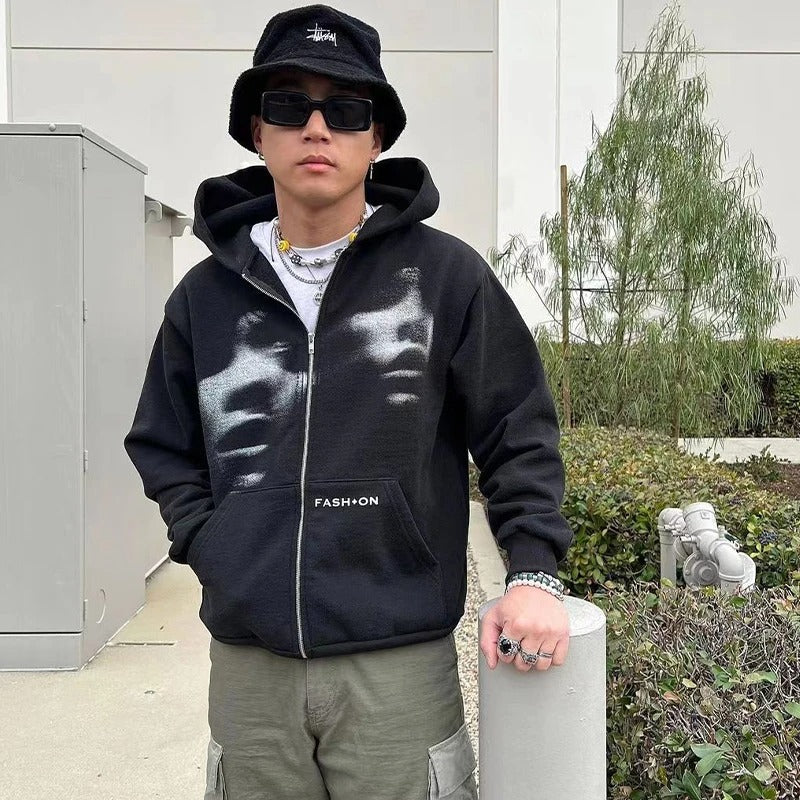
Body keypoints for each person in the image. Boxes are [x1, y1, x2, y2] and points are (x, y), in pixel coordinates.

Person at [123, 5, 574, 799]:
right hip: (251, 664)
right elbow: (162, 443)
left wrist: (534, 570)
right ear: (257, 132)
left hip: (397, 660)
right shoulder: (205, 296)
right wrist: (216, 544)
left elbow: (518, 428)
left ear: (377, 137)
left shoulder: (447, 277)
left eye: (347, 110)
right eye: (289, 106)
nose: (317, 128)